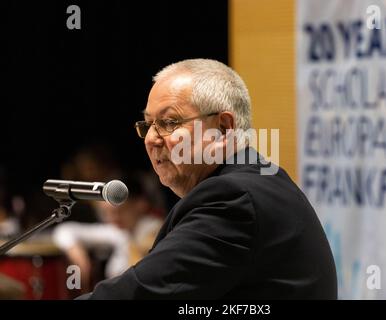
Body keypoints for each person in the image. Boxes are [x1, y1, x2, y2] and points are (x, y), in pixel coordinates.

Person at [79, 58, 337, 299]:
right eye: (147, 125)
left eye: (169, 122)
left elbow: (141, 292)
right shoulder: (255, 181)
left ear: (224, 128)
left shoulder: (233, 200)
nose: (150, 139)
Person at [53, 172, 165, 292]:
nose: (112, 219)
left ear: (140, 204)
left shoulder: (154, 228)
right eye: (106, 213)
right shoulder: (119, 230)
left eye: (119, 211)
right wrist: (78, 256)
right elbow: (65, 230)